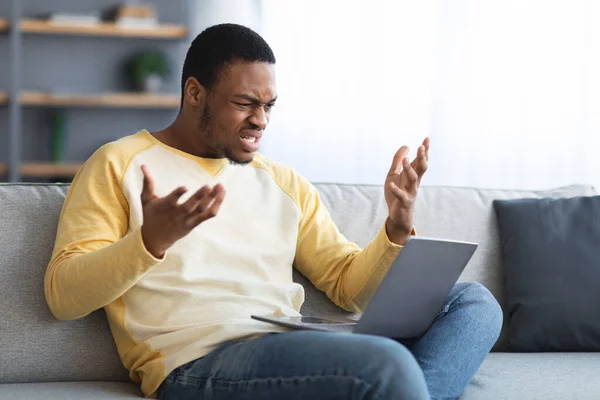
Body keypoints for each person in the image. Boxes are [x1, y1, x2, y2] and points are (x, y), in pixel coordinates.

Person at [44, 23, 502, 400]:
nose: (260, 120)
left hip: (290, 348)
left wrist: (396, 230)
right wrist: (149, 243)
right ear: (194, 92)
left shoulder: (282, 182)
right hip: (196, 364)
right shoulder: (119, 163)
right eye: (245, 103)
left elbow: (348, 287)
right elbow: (64, 297)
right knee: (387, 366)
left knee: (473, 302)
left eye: (268, 106)